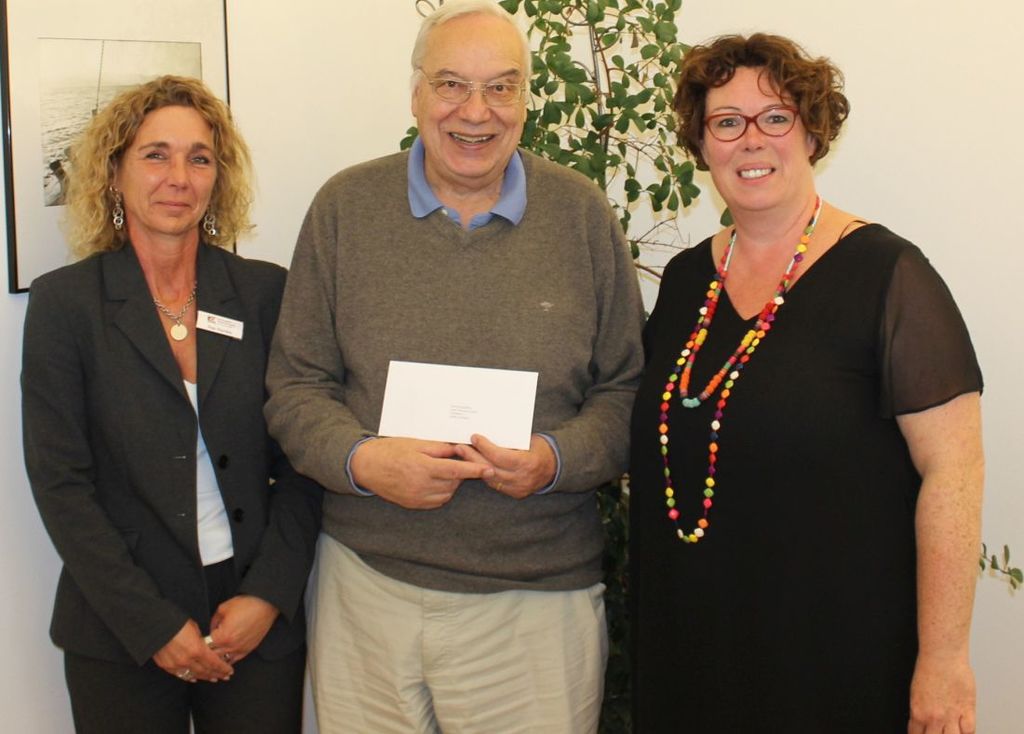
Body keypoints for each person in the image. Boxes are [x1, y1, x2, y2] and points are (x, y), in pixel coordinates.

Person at [264, 1, 644, 731]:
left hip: (535, 606)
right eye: (451, 85)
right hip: (366, 589)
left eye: (501, 87)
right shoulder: (345, 208)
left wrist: (554, 461)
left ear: (526, 100)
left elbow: (626, 391)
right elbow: (295, 385)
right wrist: (363, 462)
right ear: (416, 94)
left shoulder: (582, 216)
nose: (476, 112)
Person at [628, 33, 984, 734]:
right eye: (726, 122)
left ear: (812, 132)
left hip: (835, 659)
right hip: (692, 649)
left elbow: (955, 472)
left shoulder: (889, 276)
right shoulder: (686, 280)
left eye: (775, 117)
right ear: (702, 144)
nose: (750, 140)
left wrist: (944, 660)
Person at [21, 75, 322, 734]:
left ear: (219, 178)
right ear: (114, 173)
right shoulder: (65, 304)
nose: (178, 177)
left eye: (199, 158)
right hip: (120, 625)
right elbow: (61, 483)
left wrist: (269, 594)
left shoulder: (265, 294)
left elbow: (306, 460)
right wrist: (151, 623)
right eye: (155, 155)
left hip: (253, 621)